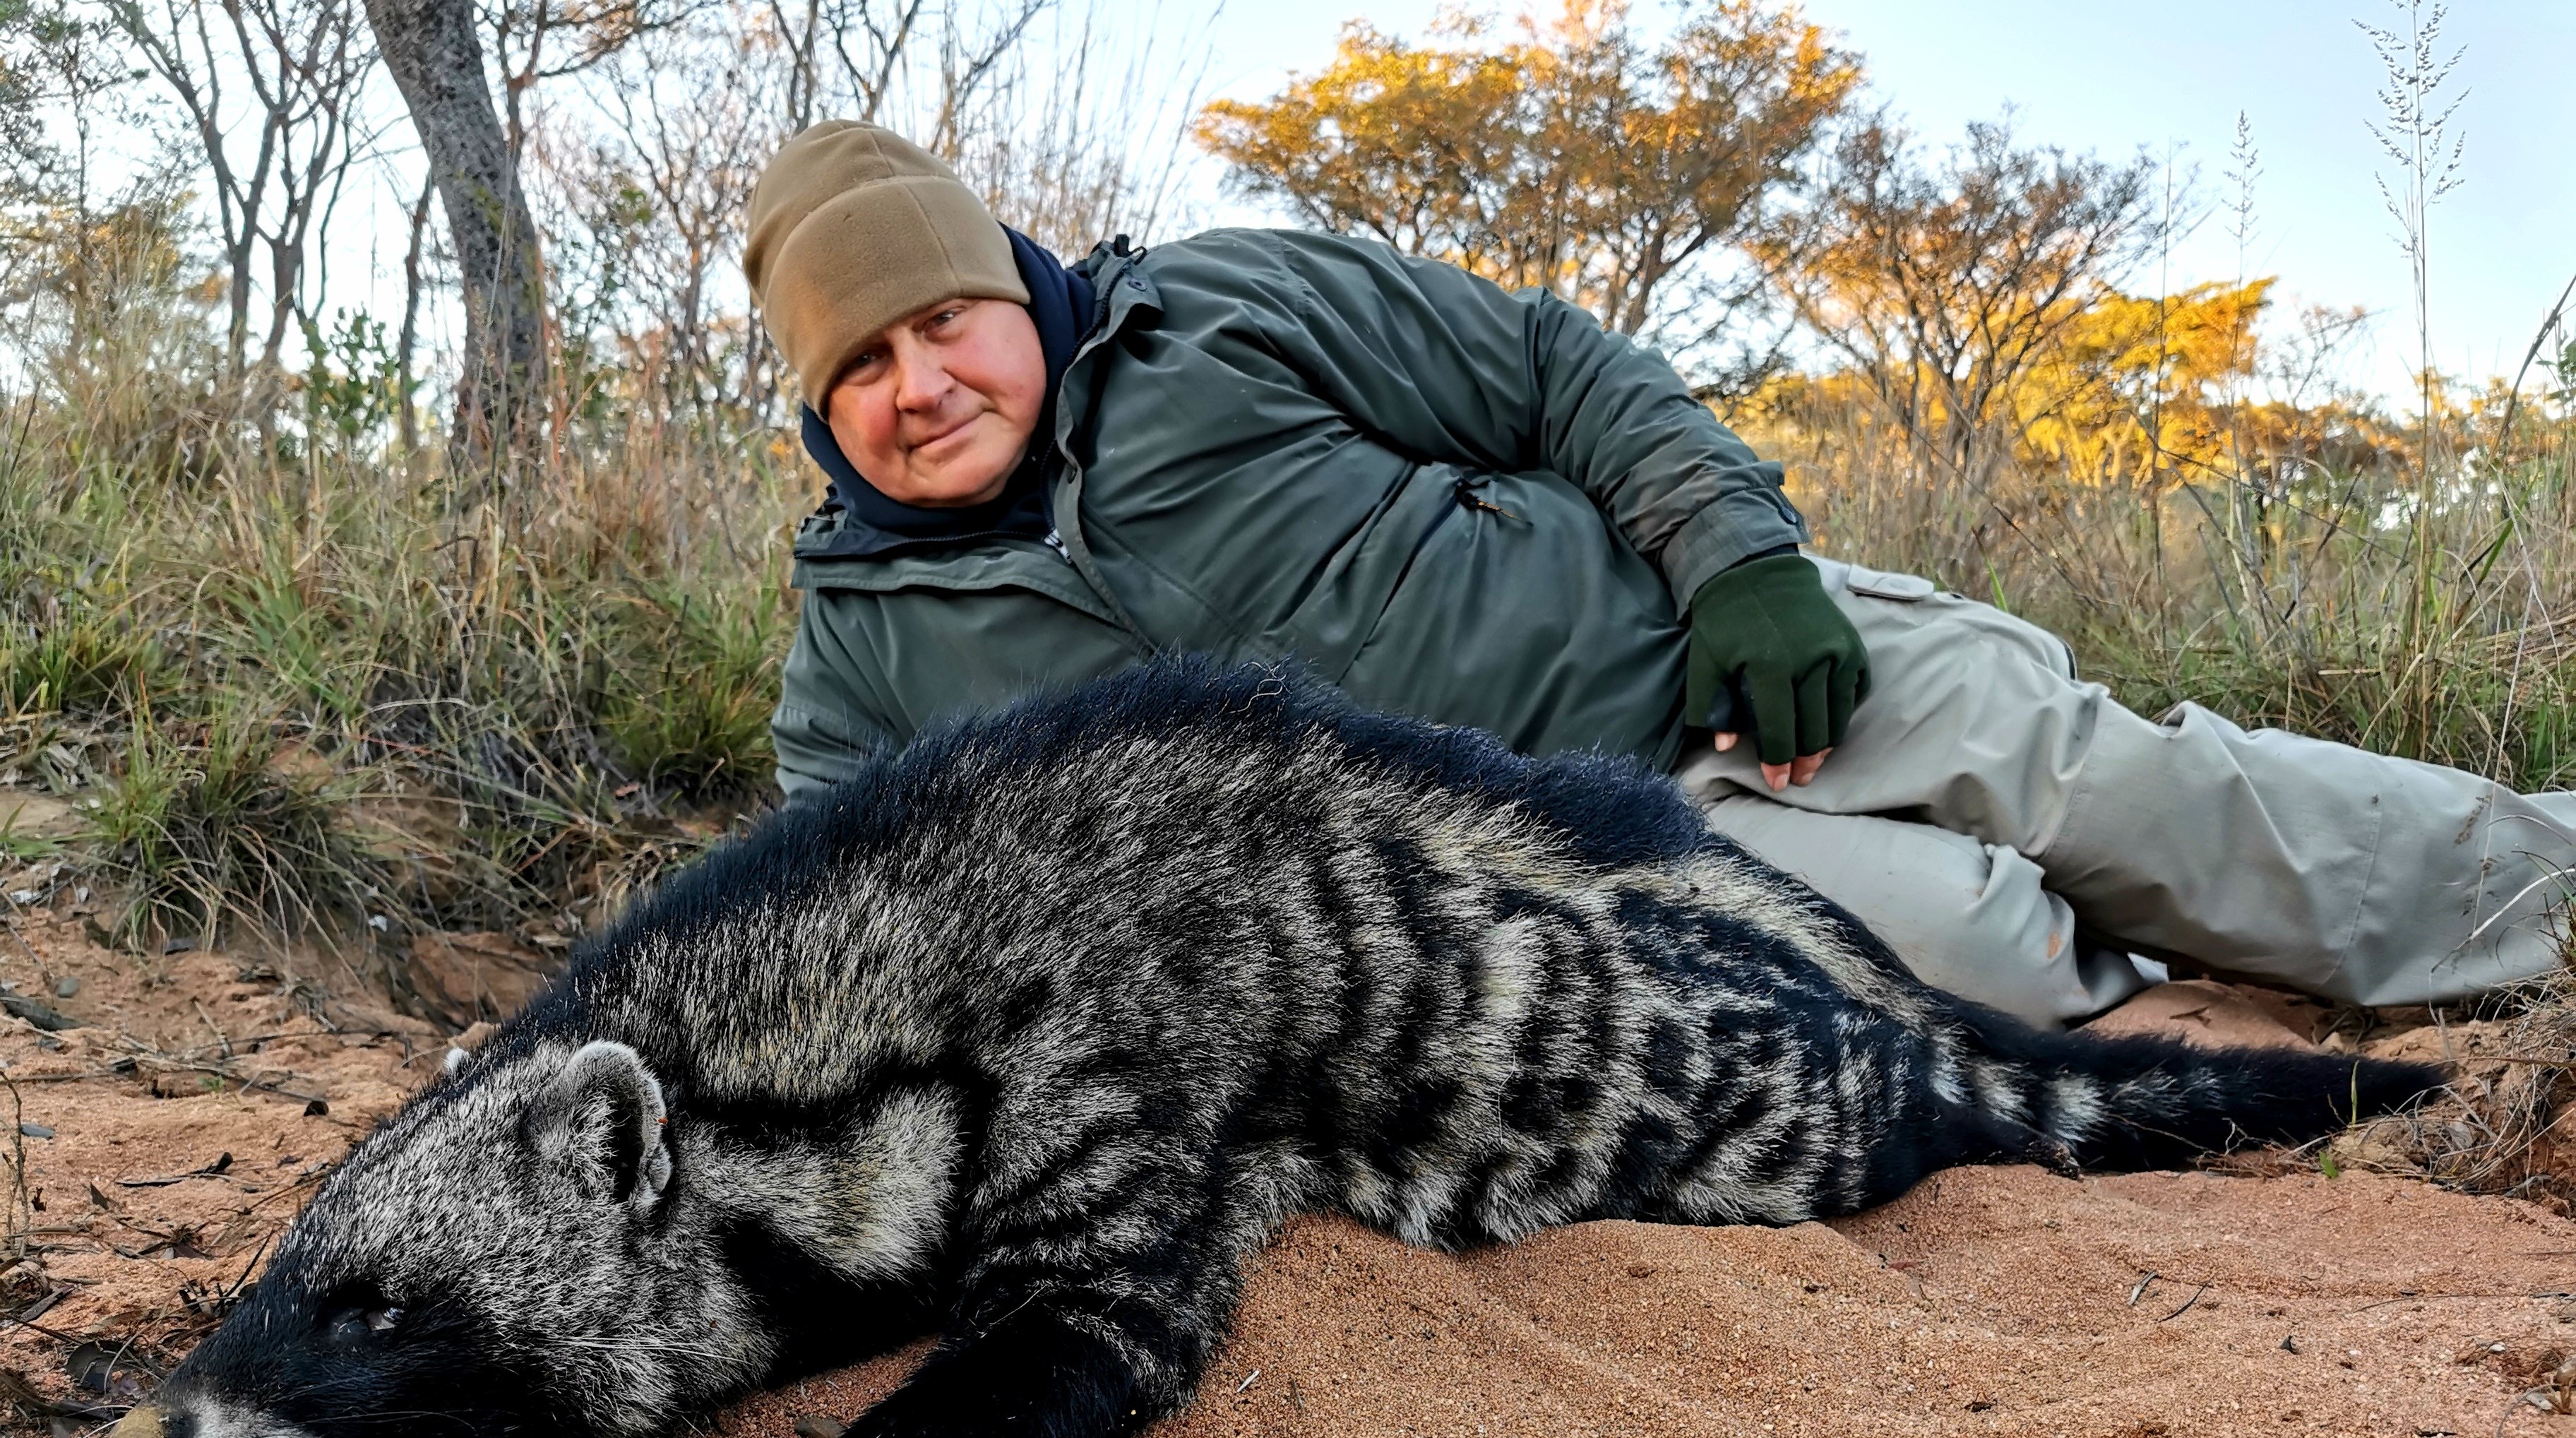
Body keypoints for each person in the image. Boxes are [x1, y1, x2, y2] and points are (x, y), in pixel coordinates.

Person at [745, 121, 2576, 1028]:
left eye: (944, 323)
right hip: (1576, 861)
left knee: (2135, 782)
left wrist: (1742, 561)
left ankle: (2541, 903)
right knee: (1974, 956)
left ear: (1012, 292)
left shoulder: (1223, 310)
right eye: (863, 367)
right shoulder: (864, 640)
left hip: (1715, 648)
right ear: (826, 410)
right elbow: (821, 880)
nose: (922, 386)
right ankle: (2175, 980)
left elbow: (1558, 370)